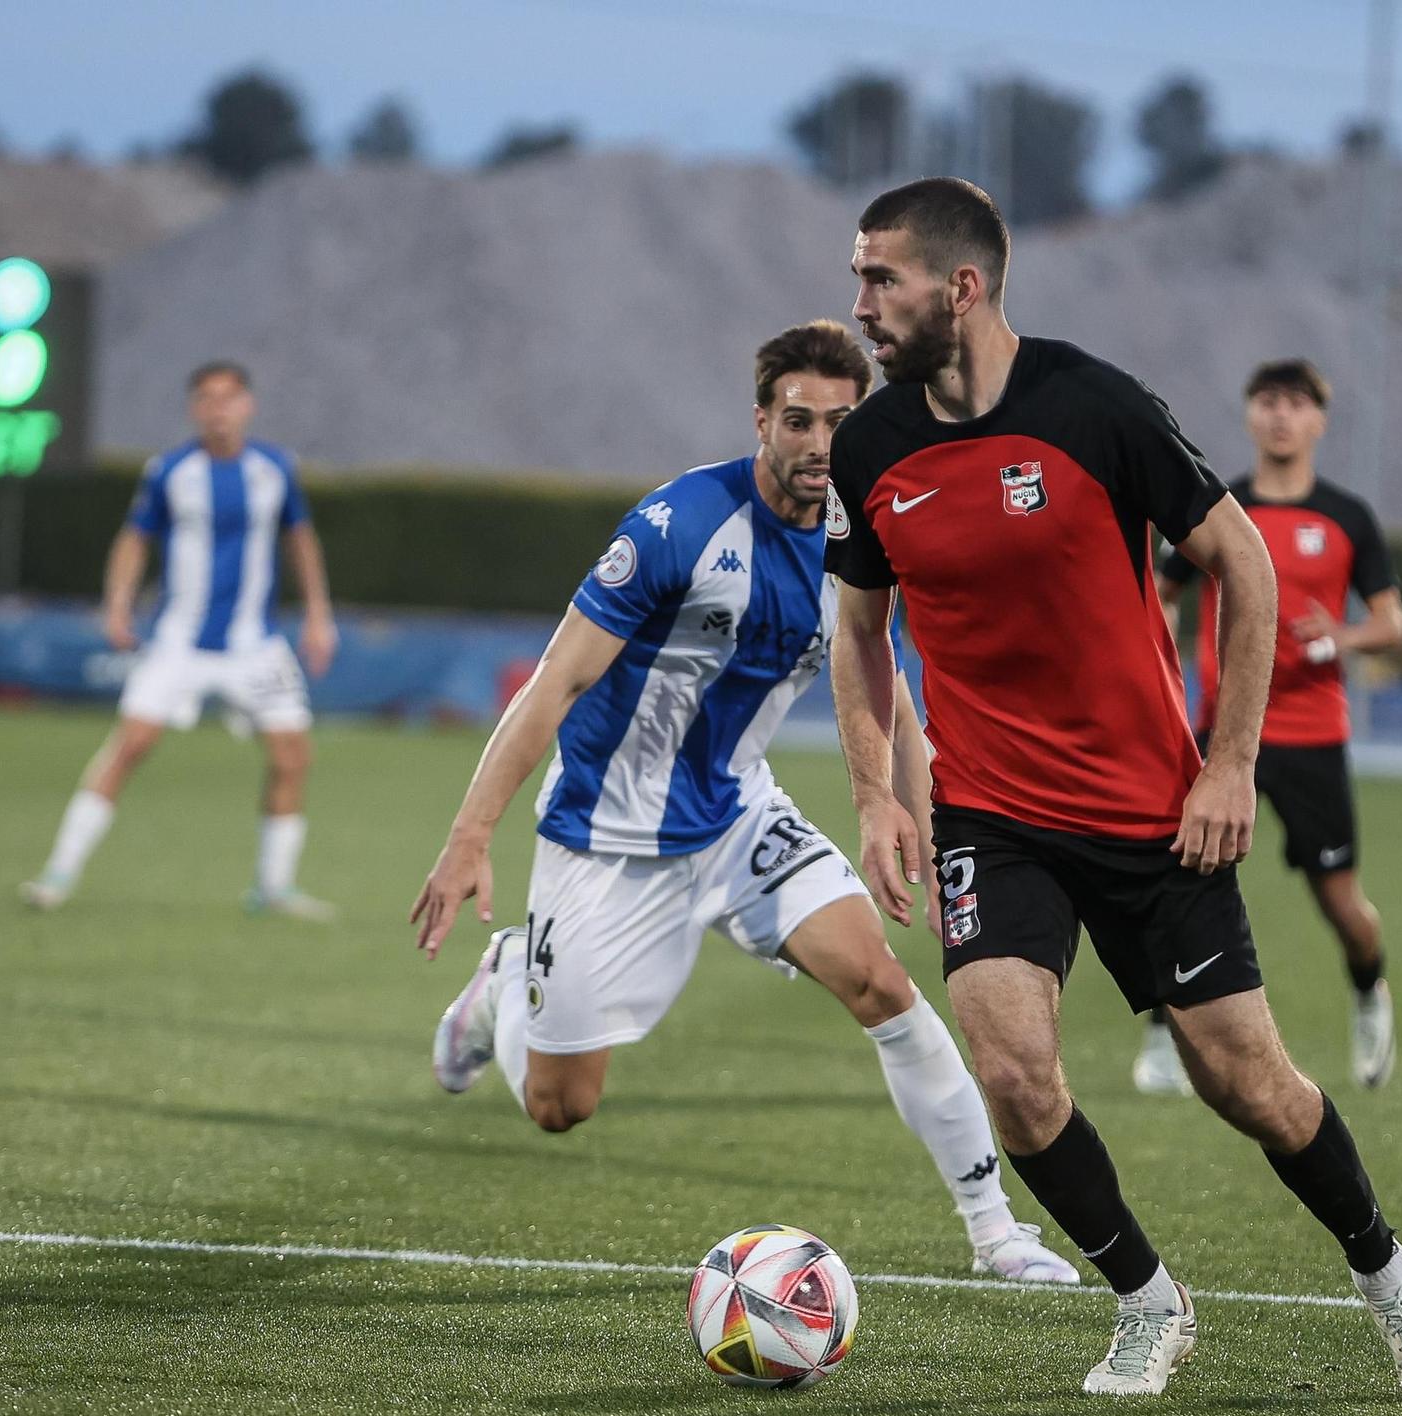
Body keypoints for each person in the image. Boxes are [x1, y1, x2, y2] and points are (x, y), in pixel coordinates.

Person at [826, 177, 1402, 1399]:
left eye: (880, 279)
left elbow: (1243, 567)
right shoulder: (872, 447)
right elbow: (857, 632)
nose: (859, 304)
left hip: (1145, 813)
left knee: (1251, 1085)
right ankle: (1145, 1300)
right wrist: (876, 795)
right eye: (857, 277)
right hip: (989, 813)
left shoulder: (1095, 406)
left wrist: (1226, 764)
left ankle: (1390, 1279)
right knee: (1011, 1071)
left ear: (960, 287)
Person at [408, 320, 1077, 1288]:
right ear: (761, 420)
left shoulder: (863, 539)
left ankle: (995, 1232)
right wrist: (471, 836)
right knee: (560, 1106)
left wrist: (937, 837)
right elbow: (552, 682)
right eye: (797, 420)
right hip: (608, 836)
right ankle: (507, 977)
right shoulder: (678, 526)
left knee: (882, 987)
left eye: (839, 424)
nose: (818, 443)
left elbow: (892, 700)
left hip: (736, 818)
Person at [1137, 359, 1402, 1096]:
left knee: (1341, 904)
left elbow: (1393, 624)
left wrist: (1343, 638)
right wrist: (1162, 669)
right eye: (1267, 402)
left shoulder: (1347, 517)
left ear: (1318, 420)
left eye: (1295, 404)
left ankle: (1367, 995)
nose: (1281, 416)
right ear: (1251, 415)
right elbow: (1159, 591)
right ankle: (1164, 1036)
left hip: (1312, 735)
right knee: (1180, 886)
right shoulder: (1216, 504)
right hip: (1218, 736)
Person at [20, 362, 337, 917]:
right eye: (207, 399)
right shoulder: (171, 472)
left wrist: (318, 613)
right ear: (195, 408)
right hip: (179, 644)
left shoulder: (274, 469)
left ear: (248, 405)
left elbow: (300, 539)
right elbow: (134, 539)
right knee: (131, 745)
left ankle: (273, 887)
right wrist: (117, 603)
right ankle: (58, 873)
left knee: (292, 756)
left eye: (228, 397)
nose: (218, 409)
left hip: (255, 646)